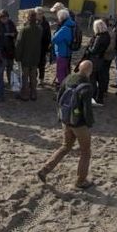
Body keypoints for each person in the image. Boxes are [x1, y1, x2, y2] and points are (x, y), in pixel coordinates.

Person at [37, 60, 95, 189]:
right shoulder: (86, 86)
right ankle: (81, 180)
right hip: (78, 123)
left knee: (65, 146)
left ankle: (45, 170)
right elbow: (87, 109)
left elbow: (59, 97)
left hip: (66, 119)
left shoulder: (69, 78)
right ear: (89, 71)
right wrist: (89, 124)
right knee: (85, 151)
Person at [15, 9, 42, 100]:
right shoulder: (39, 29)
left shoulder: (24, 30)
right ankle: (33, 93)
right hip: (35, 56)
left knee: (25, 76)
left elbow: (19, 44)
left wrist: (17, 56)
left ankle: (25, 94)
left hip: (25, 57)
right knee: (33, 75)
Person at [84, 19, 112, 104]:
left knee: (92, 79)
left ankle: (93, 97)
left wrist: (88, 47)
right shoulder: (107, 35)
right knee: (100, 79)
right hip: (101, 58)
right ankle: (100, 97)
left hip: (95, 60)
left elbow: (93, 50)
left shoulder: (99, 37)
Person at [51, 9, 73, 87]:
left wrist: (55, 33)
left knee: (60, 72)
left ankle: (61, 89)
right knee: (66, 71)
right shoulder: (72, 25)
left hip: (62, 52)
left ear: (61, 18)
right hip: (69, 52)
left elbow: (54, 39)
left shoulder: (65, 28)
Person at [37, 7, 52, 86]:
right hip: (35, 47)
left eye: (40, 14)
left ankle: (41, 79)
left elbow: (49, 35)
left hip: (43, 46)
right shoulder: (33, 22)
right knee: (34, 63)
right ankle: (34, 78)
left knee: (42, 64)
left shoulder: (46, 23)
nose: (39, 15)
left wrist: (47, 47)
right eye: (38, 14)